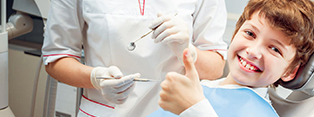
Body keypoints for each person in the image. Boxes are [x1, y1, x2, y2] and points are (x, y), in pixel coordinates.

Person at [41, 0, 228, 116]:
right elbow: (56, 58)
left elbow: (216, 67)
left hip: (174, 112)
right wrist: (96, 78)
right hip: (105, 112)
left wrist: (187, 51)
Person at [154, 0, 314, 116]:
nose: (253, 51)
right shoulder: (201, 88)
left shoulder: (259, 112)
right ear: (235, 33)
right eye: (250, 33)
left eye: (274, 49)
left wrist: (195, 109)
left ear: (290, 71)